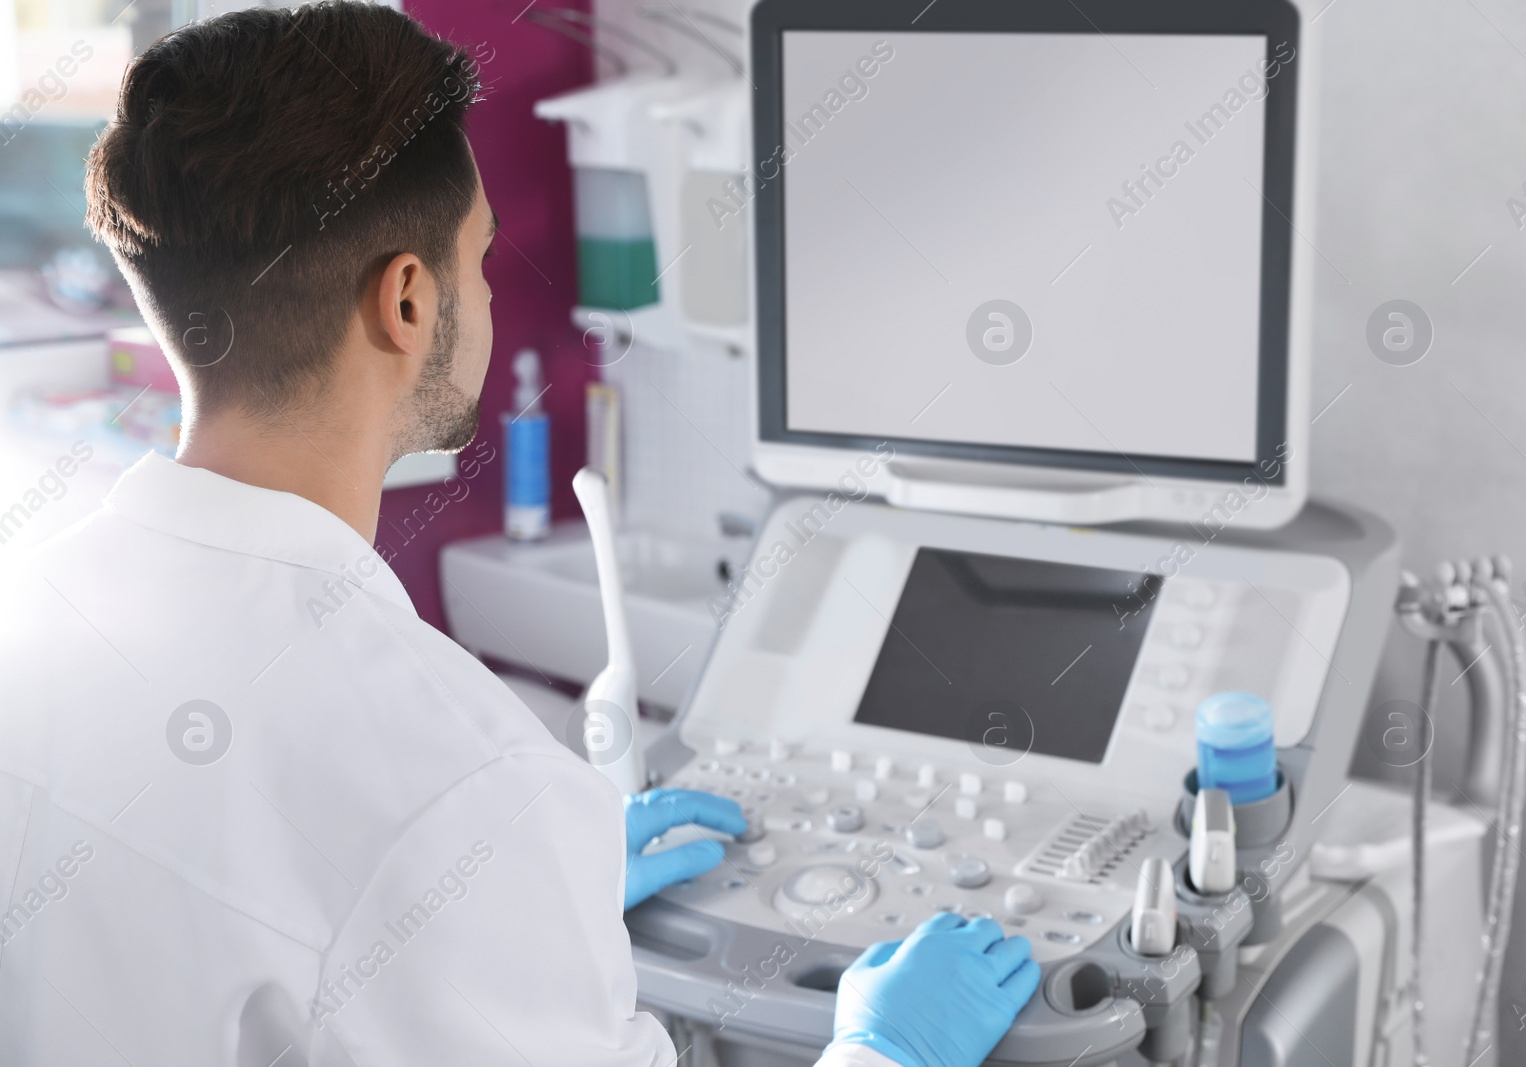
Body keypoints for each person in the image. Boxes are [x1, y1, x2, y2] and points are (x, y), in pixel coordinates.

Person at [0, 4, 1039, 1065]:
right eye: (481, 260)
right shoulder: (461, 783)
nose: (488, 296)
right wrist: (885, 1050)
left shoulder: (34, 613)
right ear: (407, 301)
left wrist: (545, 891)